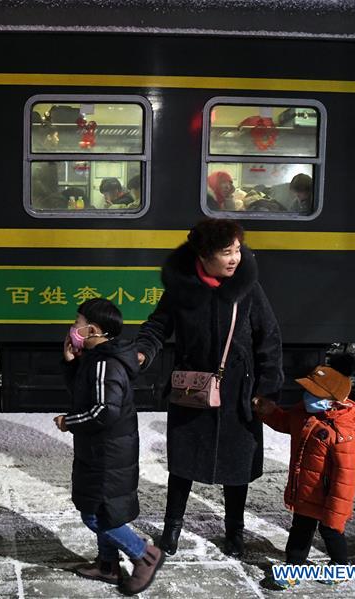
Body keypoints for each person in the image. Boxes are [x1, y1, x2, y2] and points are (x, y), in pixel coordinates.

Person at [132, 218, 283, 559]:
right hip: (192, 389)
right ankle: (172, 528)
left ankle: (235, 531)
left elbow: (268, 338)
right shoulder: (183, 288)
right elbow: (158, 326)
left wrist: (267, 389)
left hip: (238, 394)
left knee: (236, 468)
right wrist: (143, 350)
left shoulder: (248, 288)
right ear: (203, 254)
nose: (235, 259)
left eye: (238, 251)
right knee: (183, 464)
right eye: (226, 252)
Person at [54, 298, 164, 595]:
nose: (72, 328)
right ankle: (107, 566)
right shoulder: (95, 359)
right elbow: (83, 392)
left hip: (107, 452)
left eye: (77, 322)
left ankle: (144, 555)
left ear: (93, 329)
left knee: (95, 514)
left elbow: (105, 410)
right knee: (101, 508)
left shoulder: (105, 362)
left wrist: (70, 422)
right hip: (101, 449)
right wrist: (70, 362)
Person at [253, 355, 355, 590]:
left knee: (331, 531)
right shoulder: (306, 414)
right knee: (300, 530)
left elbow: (347, 478)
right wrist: (268, 411)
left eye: (313, 393)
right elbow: (286, 422)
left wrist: (337, 513)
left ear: (333, 401)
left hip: (329, 500)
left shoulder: (345, 434)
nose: (306, 396)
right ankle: (293, 568)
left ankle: (341, 566)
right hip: (305, 491)